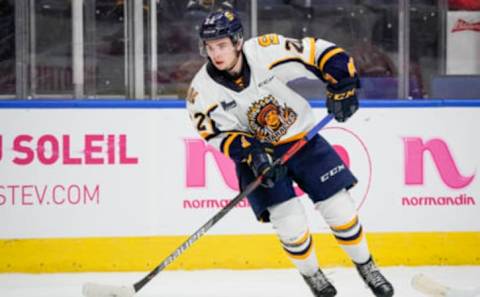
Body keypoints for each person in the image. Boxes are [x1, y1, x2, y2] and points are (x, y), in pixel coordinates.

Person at [186, 9, 394, 297]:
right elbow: (216, 134)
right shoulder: (201, 92)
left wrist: (343, 85)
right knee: (290, 224)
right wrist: (255, 156)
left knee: (340, 209)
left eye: (221, 45)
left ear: (237, 41)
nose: (216, 54)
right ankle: (313, 276)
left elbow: (320, 53)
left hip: (302, 140)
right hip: (258, 157)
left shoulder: (265, 51)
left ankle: (366, 266)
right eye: (210, 47)